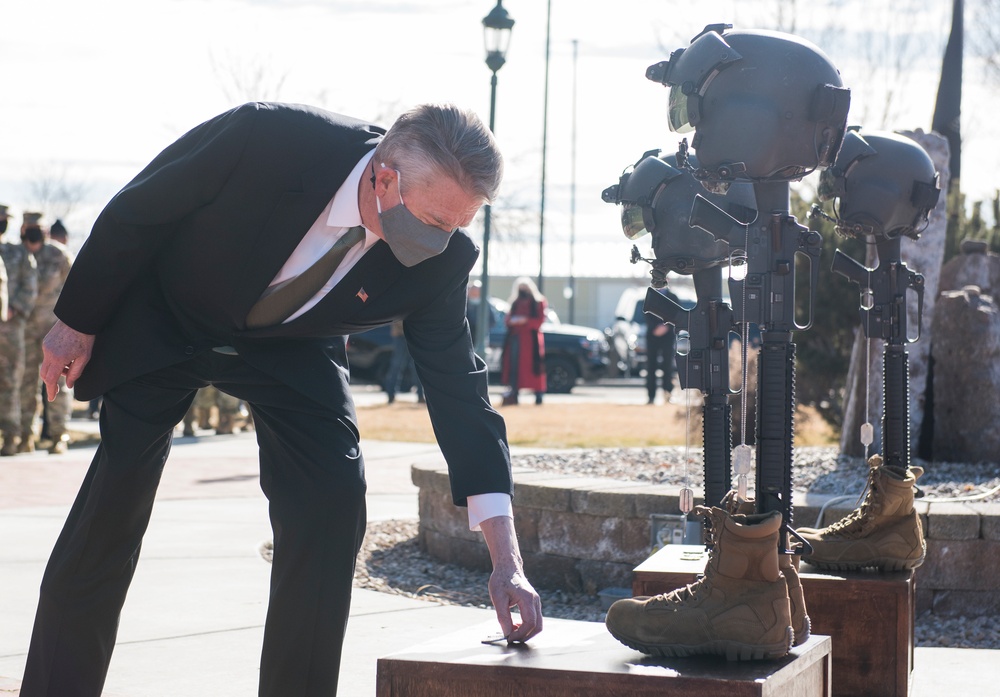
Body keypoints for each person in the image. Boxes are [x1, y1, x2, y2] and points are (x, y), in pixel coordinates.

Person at [22, 102, 542, 697]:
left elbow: (459, 393)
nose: (438, 241)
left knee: (333, 498)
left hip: (293, 346)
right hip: (172, 313)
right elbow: (138, 210)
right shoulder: (268, 136)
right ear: (384, 177)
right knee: (114, 499)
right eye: (430, 222)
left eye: (456, 225)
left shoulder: (442, 259)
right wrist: (75, 322)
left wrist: (507, 561)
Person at [20, 218, 74, 453]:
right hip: (26, 330)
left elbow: (77, 286)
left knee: (58, 382)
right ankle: (25, 436)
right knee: (25, 383)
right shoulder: (18, 254)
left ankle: (58, 435)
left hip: (55, 331)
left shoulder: (59, 254)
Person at [0, 210, 38, 456]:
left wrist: (15, 308)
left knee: (11, 382)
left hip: (10, 330)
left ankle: (12, 436)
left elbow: (31, 285)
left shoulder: (17, 252)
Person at [500, 276, 546, 406]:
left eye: (525, 288)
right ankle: (515, 394)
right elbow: (507, 320)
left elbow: (539, 321)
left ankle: (538, 395)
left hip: (532, 342)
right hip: (515, 339)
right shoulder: (514, 303)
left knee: (534, 367)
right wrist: (514, 321)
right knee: (515, 367)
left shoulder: (538, 302)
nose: (523, 291)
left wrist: (525, 320)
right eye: (521, 288)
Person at [644, 286, 679, 405]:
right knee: (651, 366)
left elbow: (676, 314)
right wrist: (655, 327)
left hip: (668, 336)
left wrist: (666, 326)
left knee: (667, 366)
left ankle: (668, 394)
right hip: (652, 335)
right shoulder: (650, 295)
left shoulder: (673, 297)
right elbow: (646, 313)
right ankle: (651, 396)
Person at [384, 319, 423, 403]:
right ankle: (391, 395)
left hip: (412, 334)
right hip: (401, 335)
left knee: (416, 366)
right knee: (397, 365)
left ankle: (420, 396)